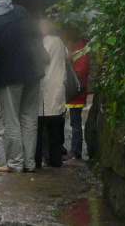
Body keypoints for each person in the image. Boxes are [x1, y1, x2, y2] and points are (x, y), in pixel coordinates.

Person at [0, 0, 49, 173]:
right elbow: (37, 37)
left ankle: (15, 162)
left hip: (10, 77)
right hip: (34, 72)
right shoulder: (21, 11)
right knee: (29, 119)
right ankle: (29, 163)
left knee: (12, 121)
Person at [35, 19, 68, 168]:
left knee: (38, 129)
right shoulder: (60, 42)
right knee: (55, 129)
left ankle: (36, 160)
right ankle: (56, 159)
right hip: (57, 88)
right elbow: (68, 57)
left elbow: (40, 60)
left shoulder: (43, 43)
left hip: (44, 89)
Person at [63, 30, 90, 160]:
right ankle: (74, 150)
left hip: (76, 93)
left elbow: (80, 71)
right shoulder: (80, 48)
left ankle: (75, 151)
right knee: (74, 122)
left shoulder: (80, 49)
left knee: (75, 123)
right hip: (77, 92)